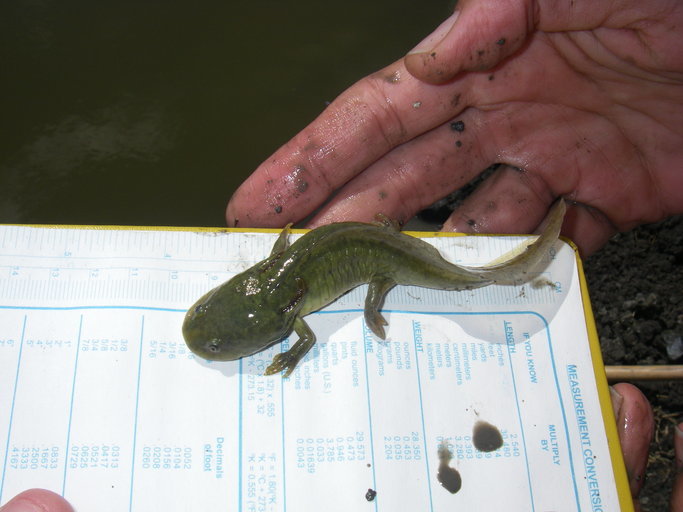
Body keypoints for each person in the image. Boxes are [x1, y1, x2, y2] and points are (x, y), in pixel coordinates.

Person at [3, 0, 681, 510]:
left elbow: (299, 324)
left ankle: (484, 268)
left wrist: (313, 340)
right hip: (352, 252)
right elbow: (278, 262)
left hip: (382, 260)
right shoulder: (272, 275)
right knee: (378, 258)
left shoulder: (291, 306)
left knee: (400, 270)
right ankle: (500, 259)